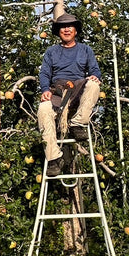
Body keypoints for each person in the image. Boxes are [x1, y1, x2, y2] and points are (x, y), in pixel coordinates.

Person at [37, 13, 102, 175]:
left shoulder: (85, 50)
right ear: (58, 31)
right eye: (63, 27)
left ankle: (78, 124)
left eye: (69, 27)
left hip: (78, 91)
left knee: (94, 85)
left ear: (75, 31)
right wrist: (45, 90)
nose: (66, 30)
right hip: (58, 92)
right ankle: (54, 158)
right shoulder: (52, 52)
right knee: (44, 109)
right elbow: (44, 73)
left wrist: (95, 76)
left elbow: (94, 69)